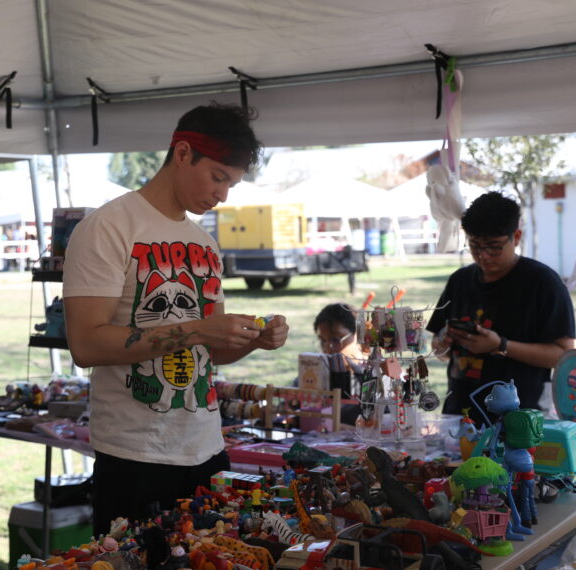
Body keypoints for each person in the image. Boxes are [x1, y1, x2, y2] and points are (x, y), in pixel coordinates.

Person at [62, 103, 289, 534]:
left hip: (205, 447)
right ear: (182, 154)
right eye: (218, 177)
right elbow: (86, 345)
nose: (222, 194)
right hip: (135, 456)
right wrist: (200, 328)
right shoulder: (108, 227)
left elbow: (213, 353)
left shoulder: (203, 241)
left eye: (232, 183)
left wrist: (253, 339)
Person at [426, 191, 576, 424]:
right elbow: (439, 351)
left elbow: (564, 355)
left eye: (494, 246)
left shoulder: (542, 282)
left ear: (516, 237)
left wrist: (501, 345)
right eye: (474, 245)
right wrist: (443, 342)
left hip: (521, 421)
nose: (483, 255)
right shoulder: (460, 281)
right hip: (459, 417)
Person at [313, 302, 369, 425]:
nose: (328, 348)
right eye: (323, 341)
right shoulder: (315, 376)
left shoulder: (377, 380)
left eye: (336, 340)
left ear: (360, 336)